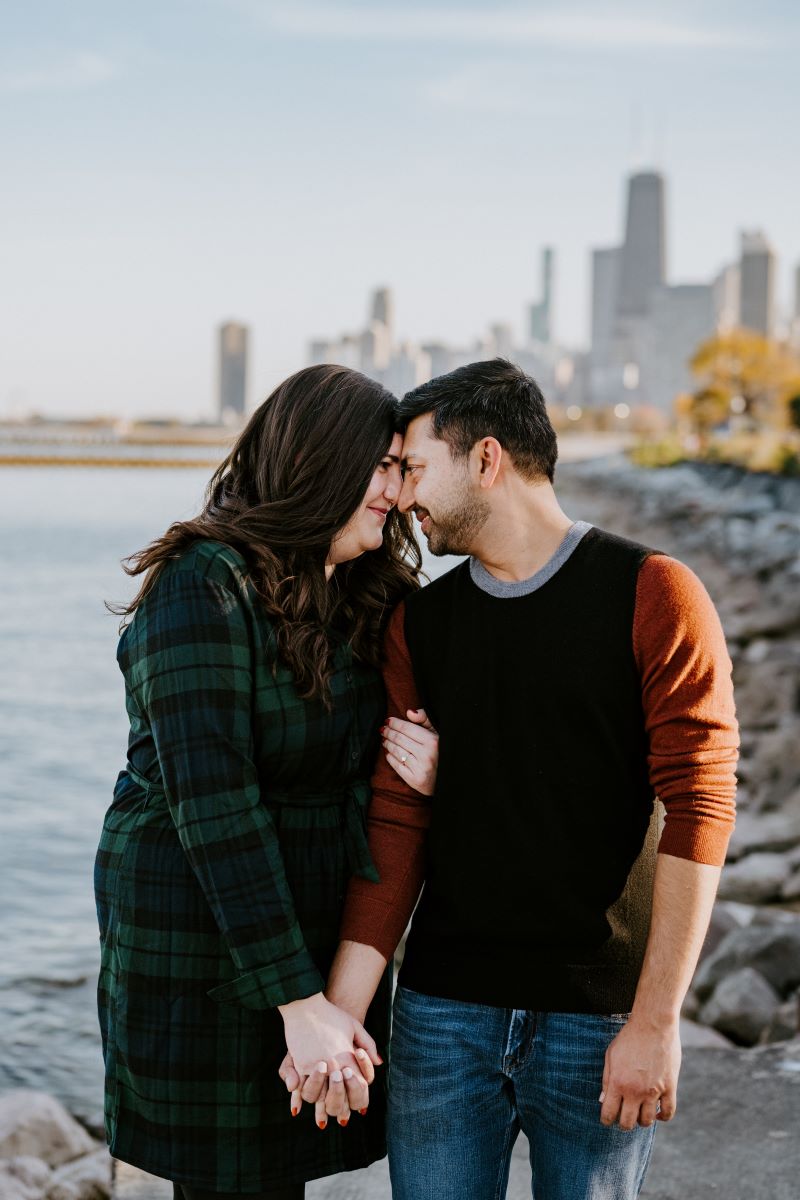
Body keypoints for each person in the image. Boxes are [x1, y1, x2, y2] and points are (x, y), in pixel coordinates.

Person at [290, 359, 739, 1199]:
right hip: (442, 1019)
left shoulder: (654, 594)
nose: (401, 497)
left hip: (598, 1017)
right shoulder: (419, 624)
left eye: (415, 468)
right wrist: (344, 1012)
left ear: (486, 459)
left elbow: (700, 807)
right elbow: (397, 823)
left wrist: (656, 1021)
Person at [93, 364, 438, 1199]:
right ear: (320, 460)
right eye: (382, 466)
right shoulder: (202, 585)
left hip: (319, 922)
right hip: (199, 928)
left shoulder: (365, 592)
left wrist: (442, 767)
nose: (395, 491)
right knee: (227, 1179)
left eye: (402, 468)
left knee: (283, 1166)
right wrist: (296, 1000)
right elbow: (213, 804)